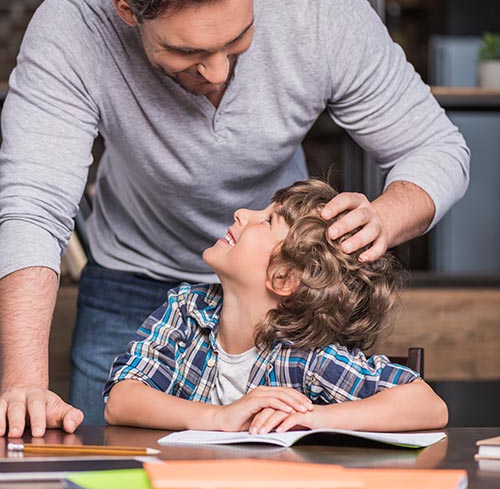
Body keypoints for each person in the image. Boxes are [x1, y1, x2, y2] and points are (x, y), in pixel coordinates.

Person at [0, 0, 467, 435]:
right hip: (132, 280)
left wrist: (387, 216)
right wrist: (23, 380)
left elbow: (437, 148)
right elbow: (33, 207)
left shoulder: (319, 9)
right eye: (187, 53)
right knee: (105, 483)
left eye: (238, 40)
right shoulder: (72, 29)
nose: (218, 72)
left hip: (278, 305)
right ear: (128, 10)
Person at [104, 179, 447, 431]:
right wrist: (220, 418)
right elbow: (121, 401)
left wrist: (309, 417)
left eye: (267, 221)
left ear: (283, 278)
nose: (241, 214)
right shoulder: (184, 310)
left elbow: (428, 406)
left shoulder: (304, 356)